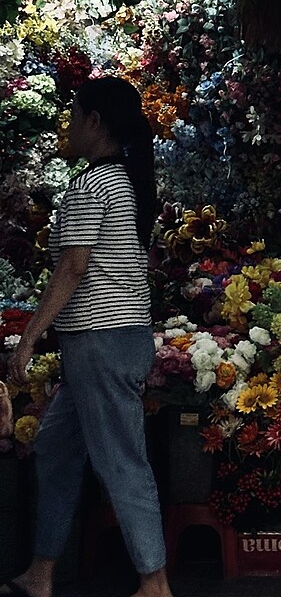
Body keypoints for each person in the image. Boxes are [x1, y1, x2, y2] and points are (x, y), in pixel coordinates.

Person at [6, 77, 171, 597]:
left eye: (74, 114)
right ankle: (42, 572)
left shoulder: (91, 186)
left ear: (94, 122)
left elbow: (72, 267)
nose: (68, 125)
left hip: (101, 341)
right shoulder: (124, 181)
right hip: (114, 339)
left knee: (122, 461)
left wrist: (29, 337)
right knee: (56, 447)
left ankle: (155, 583)